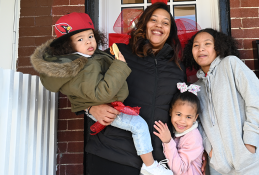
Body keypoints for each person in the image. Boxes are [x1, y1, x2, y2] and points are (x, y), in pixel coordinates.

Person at [30, 12, 173, 175]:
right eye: (80, 39)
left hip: (156, 149)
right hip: (111, 152)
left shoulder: (94, 56)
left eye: (91, 36)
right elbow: (83, 92)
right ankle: (150, 165)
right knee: (138, 125)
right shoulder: (104, 57)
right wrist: (90, 108)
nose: (89, 41)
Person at [86, 2, 187, 175]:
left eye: (165, 22)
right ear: (144, 24)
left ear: (170, 30)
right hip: (112, 153)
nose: (159, 26)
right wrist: (90, 108)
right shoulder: (119, 53)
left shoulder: (177, 68)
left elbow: (184, 111)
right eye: (153, 20)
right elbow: (82, 81)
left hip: (156, 163)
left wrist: (191, 153)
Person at [183, 28, 259, 175]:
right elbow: (198, 123)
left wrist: (250, 143)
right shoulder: (196, 88)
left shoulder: (231, 64)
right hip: (220, 168)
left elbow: (257, 103)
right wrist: (210, 150)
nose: (201, 49)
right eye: (196, 45)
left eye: (207, 43)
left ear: (218, 47)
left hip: (254, 163)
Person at [154, 82, 204, 175]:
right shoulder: (179, 133)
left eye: (188, 117)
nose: (182, 121)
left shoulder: (193, 138)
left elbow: (179, 169)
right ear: (170, 112)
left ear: (195, 118)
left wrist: (168, 142)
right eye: (178, 114)